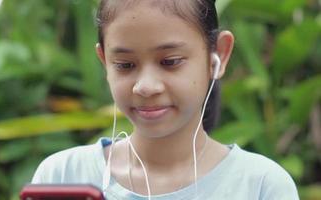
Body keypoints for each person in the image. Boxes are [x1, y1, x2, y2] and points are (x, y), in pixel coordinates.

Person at [31, 0, 300, 199]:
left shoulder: (261, 186)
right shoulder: (62, 176)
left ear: (217, 56)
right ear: (104, 62)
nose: (146, 87)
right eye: (125, 65)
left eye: (170, 61)